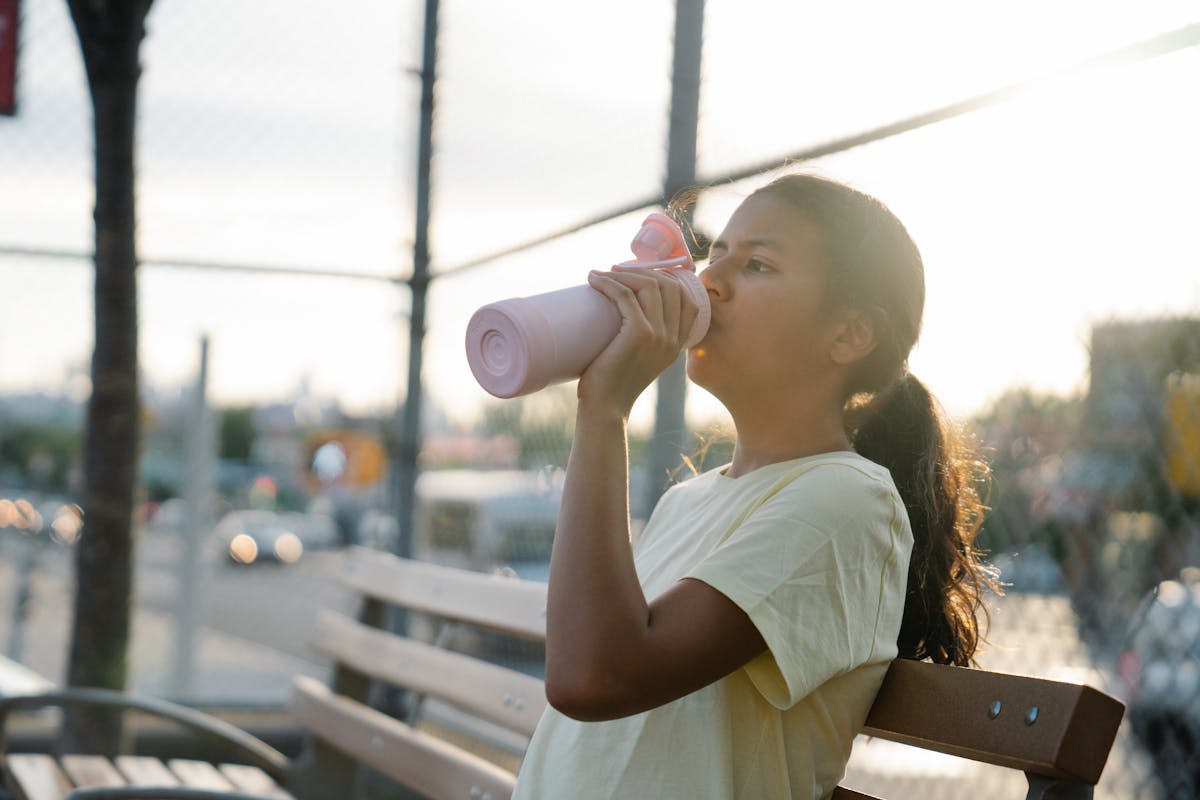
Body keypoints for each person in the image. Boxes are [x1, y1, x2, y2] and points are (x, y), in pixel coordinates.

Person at [511, 173, 995, 799]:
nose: (708, 282)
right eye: (717, 257)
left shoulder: (848, 501)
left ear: (850, 333)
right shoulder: (689, 499)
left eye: (760, 265)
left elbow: (594, 676)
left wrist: (604, 411)